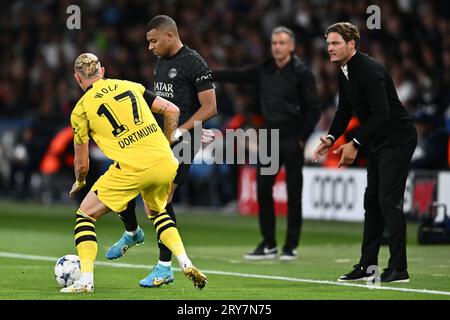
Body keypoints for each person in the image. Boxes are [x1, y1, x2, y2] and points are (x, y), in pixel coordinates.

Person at [62, 52, 207, 293]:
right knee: (158, 211)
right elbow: (171, 110)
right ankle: (185, 262)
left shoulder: (81, 110)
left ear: (78, 79)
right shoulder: (131, 86)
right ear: (103, 71)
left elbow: (82, 164)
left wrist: (80, 181)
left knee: (85, 215)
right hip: (164, 159)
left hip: (133, 167)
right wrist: (168, 140)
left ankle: (86, 280)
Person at [105, 15, 217, 288]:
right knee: (129, 180)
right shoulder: (161, 62)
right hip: (158, 139)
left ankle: (164, 267)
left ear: (170, 36)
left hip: (181, 143)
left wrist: (184, 131)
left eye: (154, 41)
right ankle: (132, 232)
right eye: (148, 42)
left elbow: (210, 107)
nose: (150, 47)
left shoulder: (194, 63)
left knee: (162, 202)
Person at [312, 22, 417, 283]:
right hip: (379, 140)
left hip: (398, 138)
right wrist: (331, 137)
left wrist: (355, 143)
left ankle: (399, 268)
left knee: (388, 201)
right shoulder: (344, 71)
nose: (330, 48)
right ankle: (367, 265)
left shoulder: (371, 70)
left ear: (352, 44)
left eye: (335, 43)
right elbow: (344, 111)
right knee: (372, 202)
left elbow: (382, 114)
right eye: (328, 43)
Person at [213, 26, 321, 260]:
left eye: (282, 43)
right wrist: (208, 74)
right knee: (263, 189)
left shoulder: (303, 74)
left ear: (291, 47)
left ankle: (290, 246)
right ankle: (269, 243)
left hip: (293, 137)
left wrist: (303, 137)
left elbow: (314, 109)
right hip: (270, 137)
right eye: (274, 43)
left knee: (294, 193)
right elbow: (239, 75)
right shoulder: (264, 69)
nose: (277, 47)